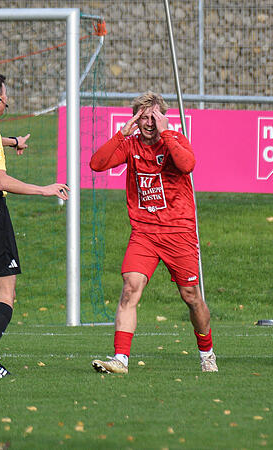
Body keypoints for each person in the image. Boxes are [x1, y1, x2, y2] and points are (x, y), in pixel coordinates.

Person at [89, 91, 217, 374]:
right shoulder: (130, 144)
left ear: (163, 117)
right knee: (129, 290)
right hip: (144, 233)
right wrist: (121, 134)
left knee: (191, 296)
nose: (148, 122)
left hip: (178, 232)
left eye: (154, 116)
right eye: (143, 117)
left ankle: (207, 353)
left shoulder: (175, 139)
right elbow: (96, 164)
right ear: (136, 119)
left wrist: (167, 133)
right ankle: (120, 359)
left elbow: (188, 165)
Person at [0, 73, 69, 378]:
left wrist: (13, 141)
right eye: (5, 93)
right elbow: (0, 180)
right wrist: (45, 189)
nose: (7, 98)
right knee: (7, 293)